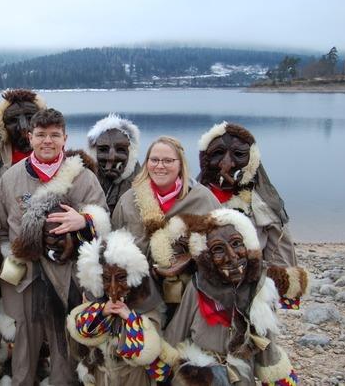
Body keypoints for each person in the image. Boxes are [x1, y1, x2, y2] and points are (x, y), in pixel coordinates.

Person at [0, 108, 111, 386]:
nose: (48, 141)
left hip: (68, 276)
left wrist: (83, 220)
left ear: (65, 138)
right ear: (30, 137)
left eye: (54, 135)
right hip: (25, 276)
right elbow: (0, 228)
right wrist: (12, 255)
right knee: (23, 345)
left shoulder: (83, 178)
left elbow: (104, 222)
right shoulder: (11, 178)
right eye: (41, 135)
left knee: (65, 346)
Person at [164, 208, 299, 385]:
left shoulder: (259, 289)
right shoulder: (198, 287)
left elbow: (267, 346)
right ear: (207, 257)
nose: (232, 257)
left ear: (248, 246)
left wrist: (278, 377)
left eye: (236, 244)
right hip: (198, 377)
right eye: (218, 249)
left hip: (240, 376)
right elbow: (175, 335)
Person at [112, 136, 220, 311]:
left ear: (180, 164)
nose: (160, 166)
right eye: (154, 160)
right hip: (140, 290)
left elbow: (220, 241)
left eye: (168, 161)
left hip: (190, 291)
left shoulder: (202, 198)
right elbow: (111, 242)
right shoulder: (128, 200)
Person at [67, 229, 175, 386]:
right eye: (105, 278)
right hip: (102, 377)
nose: (113, 289)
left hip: (134, 378)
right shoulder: (94, 301)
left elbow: (145, 353)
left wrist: (130, 318)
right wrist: (101, 312)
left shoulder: (148, 307)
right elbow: (80, 337)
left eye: (121, 278)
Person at [198, 121, 298, 268]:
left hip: (251, 282)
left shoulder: (263, 204)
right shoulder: (193, 198)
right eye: (218, 154)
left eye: (238, 154)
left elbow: (282, 262)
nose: (227, 164)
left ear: (251, 160)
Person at [87, 113, 141, 213]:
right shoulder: (83, 182)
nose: (111, 158)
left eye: (120, 150)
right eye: (103, 150)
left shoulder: (143, 188)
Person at [0, 89, 46, 167]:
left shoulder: (64, 162)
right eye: (13, 120)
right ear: (3, 127)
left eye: (30, 118)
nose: (23, 127)